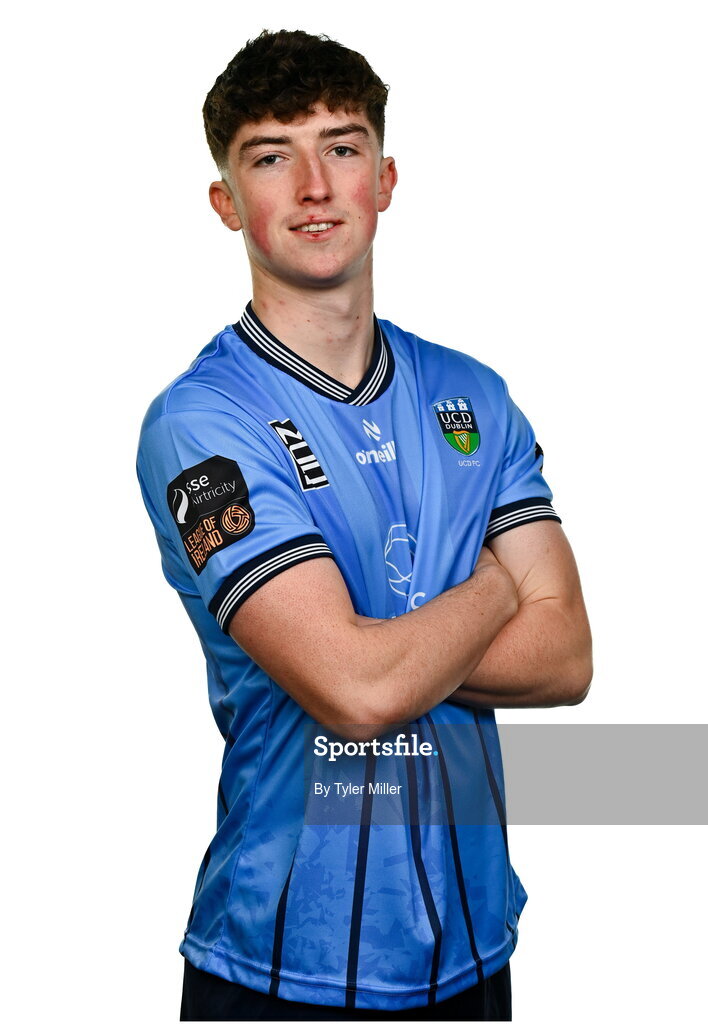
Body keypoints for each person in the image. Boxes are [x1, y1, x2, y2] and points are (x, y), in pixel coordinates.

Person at [136, 28, 592, 1022]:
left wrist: (374, 645)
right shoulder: (201, 424)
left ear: (384, 180)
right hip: (279, 966)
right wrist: (494, 586)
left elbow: (566, 657)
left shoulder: (471, 398)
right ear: (227, 202)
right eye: (271, 156)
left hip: (475, 951)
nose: (313, 185)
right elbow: (352, 691)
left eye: (341, 147)